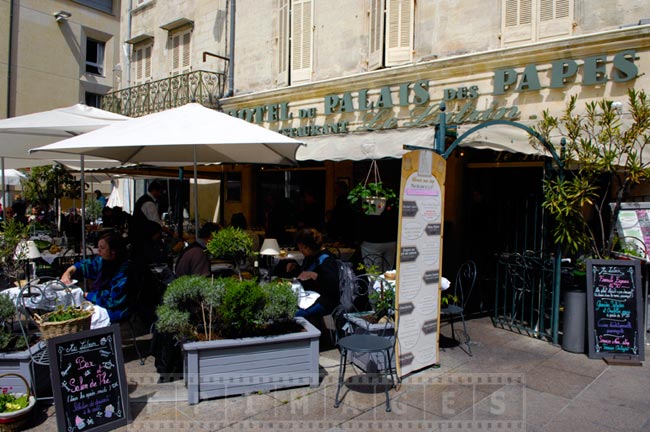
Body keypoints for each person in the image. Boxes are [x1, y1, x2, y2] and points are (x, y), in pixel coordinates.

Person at [60, 232, 131, 323]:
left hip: (116, 310)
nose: (99, 251)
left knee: (78, 320)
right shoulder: (103, 261)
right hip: (99, 303)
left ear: (113, 251)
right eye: (98, 248)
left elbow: (113, 300)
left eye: (102, 248)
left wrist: (87, 295)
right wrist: (69, 271)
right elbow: (85, 265)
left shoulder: (125, 272)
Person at [293, 228, 340, 319]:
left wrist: (314, 276)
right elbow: (306, 273)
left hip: (325, 301)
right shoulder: (310, 256)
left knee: (295, 314)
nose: (300, 251)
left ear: (308, 247)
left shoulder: (327, 259)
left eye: (302, 248)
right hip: (308, 296)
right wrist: (296, 267)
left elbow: (333, 286)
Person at [131, 180, 173, 265]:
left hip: (137, 237)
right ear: (154, 190)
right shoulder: (149, 203)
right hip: (144, 239)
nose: (160, 194)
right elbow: (157, 223)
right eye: (159, 192)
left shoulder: (143, 199)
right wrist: (171, 233)